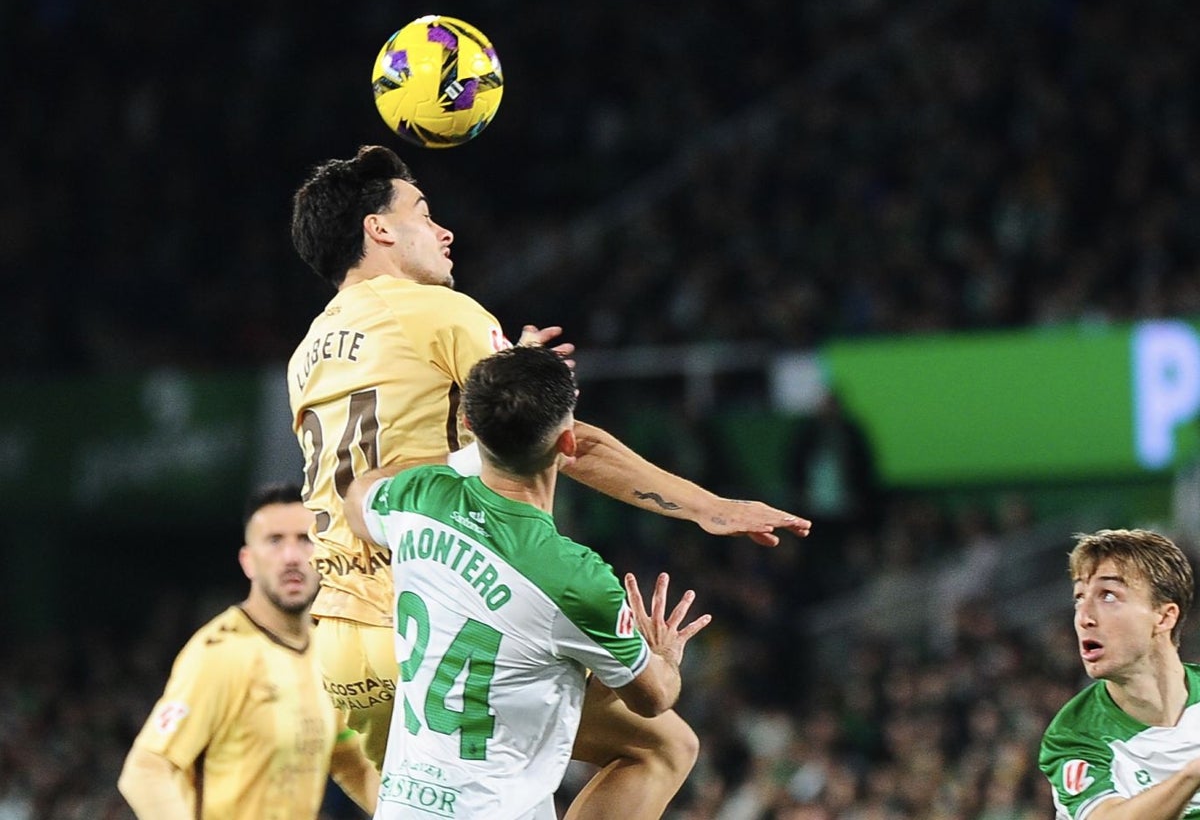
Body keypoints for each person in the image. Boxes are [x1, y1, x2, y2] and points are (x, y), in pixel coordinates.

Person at [286, 143, 810, 815]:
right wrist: (704, 506)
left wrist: (509, 370)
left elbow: (420, 448)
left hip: (341, 647)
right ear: (378, 230)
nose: (444, 231)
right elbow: (558, 437)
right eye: (423, 211)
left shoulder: (308, 353)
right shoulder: (440, 312)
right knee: (662, 746)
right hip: (438, 613)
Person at [345, 344, 710, 819]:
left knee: (666, 743)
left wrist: (467, 454)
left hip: (404, 808)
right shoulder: (573, 577)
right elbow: (654, 698)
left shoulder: (418, 500)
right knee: (667, 745)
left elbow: (358, 494)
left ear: (471, 429)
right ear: (569, 444)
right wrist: (662, 655)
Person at [117, 483, 379, 820]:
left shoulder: (329, 652)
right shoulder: (222, 652)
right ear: (248, 561)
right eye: (274, 541)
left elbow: (352, 762)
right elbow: (146, 769)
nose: (291, 556)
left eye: (304, 539)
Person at [1038, 528, 1200, 820]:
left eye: (1108, 596)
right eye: (1079, 597)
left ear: (1164, 617)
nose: (1084, 617)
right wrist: (1192, 774)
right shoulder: (1075, 735)